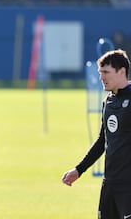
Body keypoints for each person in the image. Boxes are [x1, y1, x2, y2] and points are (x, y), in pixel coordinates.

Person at [62, 49, 131, 218]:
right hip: (109, 184)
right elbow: (102, 141)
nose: (101, 77)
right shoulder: (108, 101)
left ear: (122, 71)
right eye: (100, 73)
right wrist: (79, 170)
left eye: (106, 72)